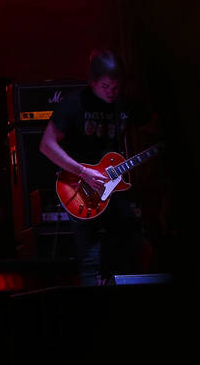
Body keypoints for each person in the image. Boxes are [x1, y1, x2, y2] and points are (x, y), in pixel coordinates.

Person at [39, 49, 153, 285]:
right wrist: (83, 171)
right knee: (90, 257)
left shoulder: (123, 106)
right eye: (105, 86)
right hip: (80, 188)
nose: (111, 92)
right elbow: (46, 145)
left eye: (116, 87)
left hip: (113, 185)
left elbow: (152, 123)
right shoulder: (73, 105)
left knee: (135, 245)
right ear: (92, 83)